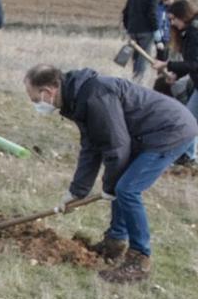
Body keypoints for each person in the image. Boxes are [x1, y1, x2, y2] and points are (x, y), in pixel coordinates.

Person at [26, 64, 197, 283]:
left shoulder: (95, 97)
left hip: (170, 130)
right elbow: (91, 147)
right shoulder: (77, 98)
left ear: (48, 92)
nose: (36, 105)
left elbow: (117, 146)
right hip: (145, 132)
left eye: (34, 100)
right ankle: (115, 243)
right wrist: (77, 192)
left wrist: (109, 188)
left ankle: (139, 260)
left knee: (127, 189)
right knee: (121, 185)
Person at [151, 0, 198, 165]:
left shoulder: (194, 33)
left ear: (183, 16)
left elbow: (195, 63)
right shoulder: (189, 33)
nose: (172, 23)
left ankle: (188, 156)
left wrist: (167, 64)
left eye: (173, 19)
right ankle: (188, 155)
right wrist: (175, 75)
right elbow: (192, 63)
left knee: (189, 119)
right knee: (189, 119)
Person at [123, 0, 163, 82]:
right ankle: (138, 83)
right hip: (146, 31)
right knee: (143, 58)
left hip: (132, 29)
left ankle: (134, 78)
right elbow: (152, 14)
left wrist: (128, 27)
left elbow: (125, 11)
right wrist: (156, 32)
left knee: (135, 57)